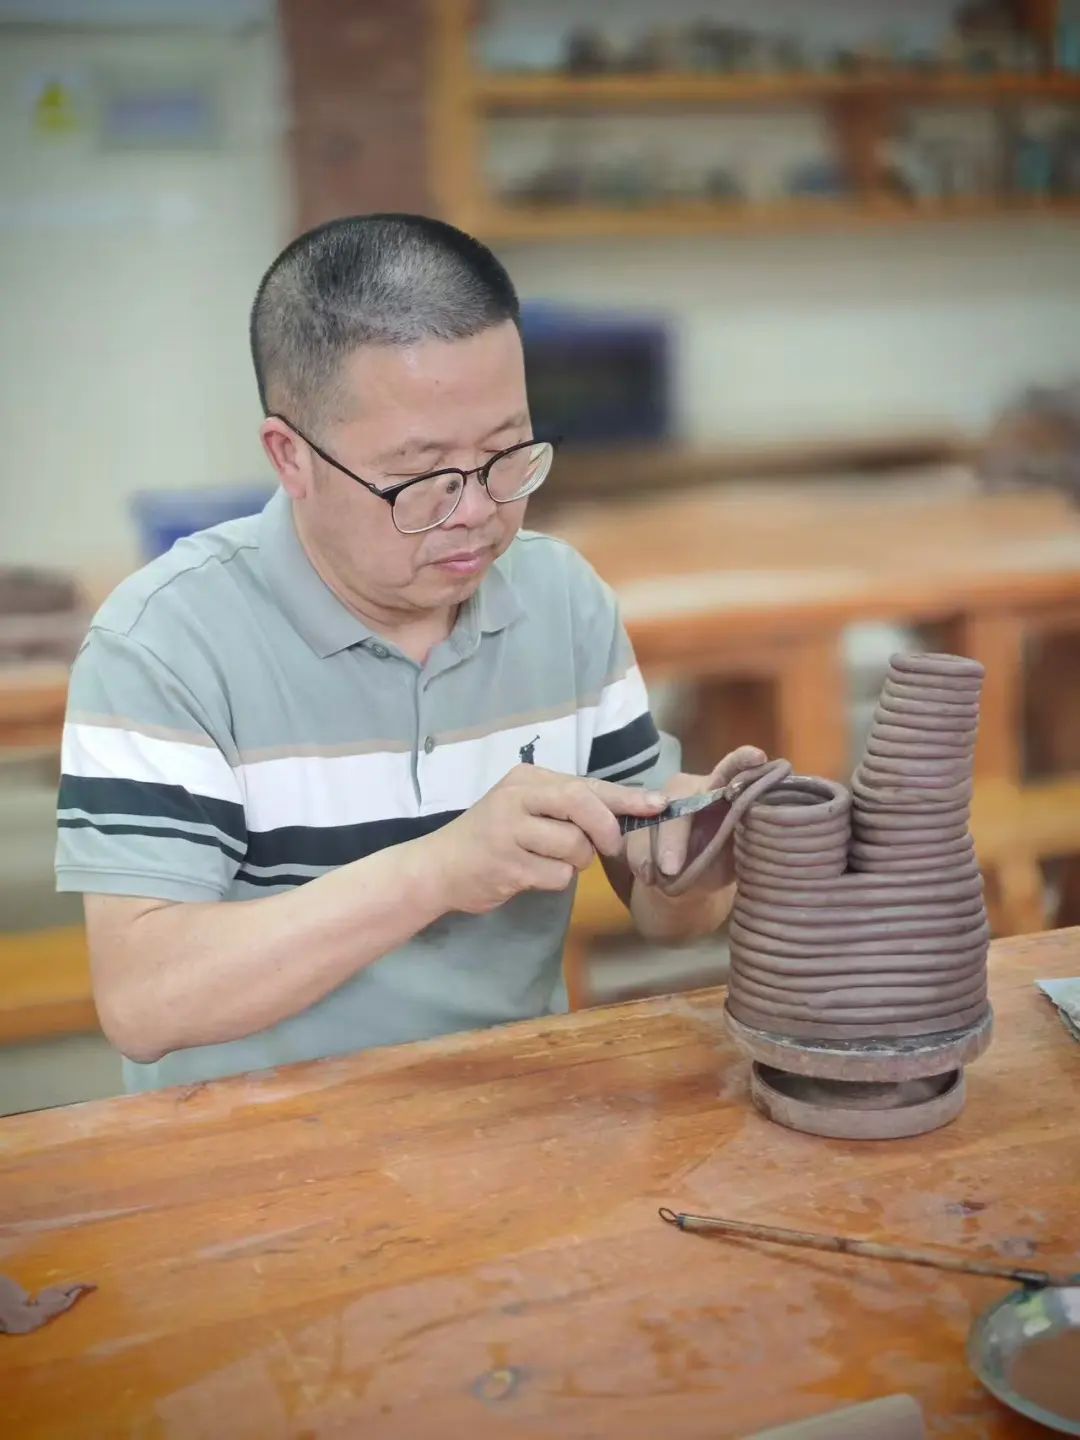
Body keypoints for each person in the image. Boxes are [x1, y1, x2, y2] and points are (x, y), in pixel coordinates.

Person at [55, 213, 763, 1091]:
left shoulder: (560, 600)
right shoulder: (165, 641)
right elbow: (145, 1002)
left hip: (519, 1111)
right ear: (291, 457)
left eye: (507, 454)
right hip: (258, 1145)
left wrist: (697, 857)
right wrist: (437, 872)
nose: (477, 511)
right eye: (424, 477)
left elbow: (663, 916)